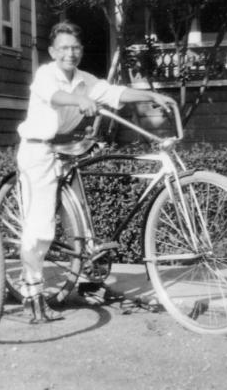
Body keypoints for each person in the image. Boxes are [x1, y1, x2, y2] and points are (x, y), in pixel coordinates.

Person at [16, 21, 176, 324]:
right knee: (41, 229)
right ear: (52, 51)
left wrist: (150, 96)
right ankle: (31, 293)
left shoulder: (85, 79)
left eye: (75, 47)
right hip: (38, 152)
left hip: (66, 151)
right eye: (63, 48)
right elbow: (54, 96)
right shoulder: (44, 75)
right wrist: (79, 100)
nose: (70, 53)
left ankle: (87, 270)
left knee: (80, 229)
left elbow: (113, 91)